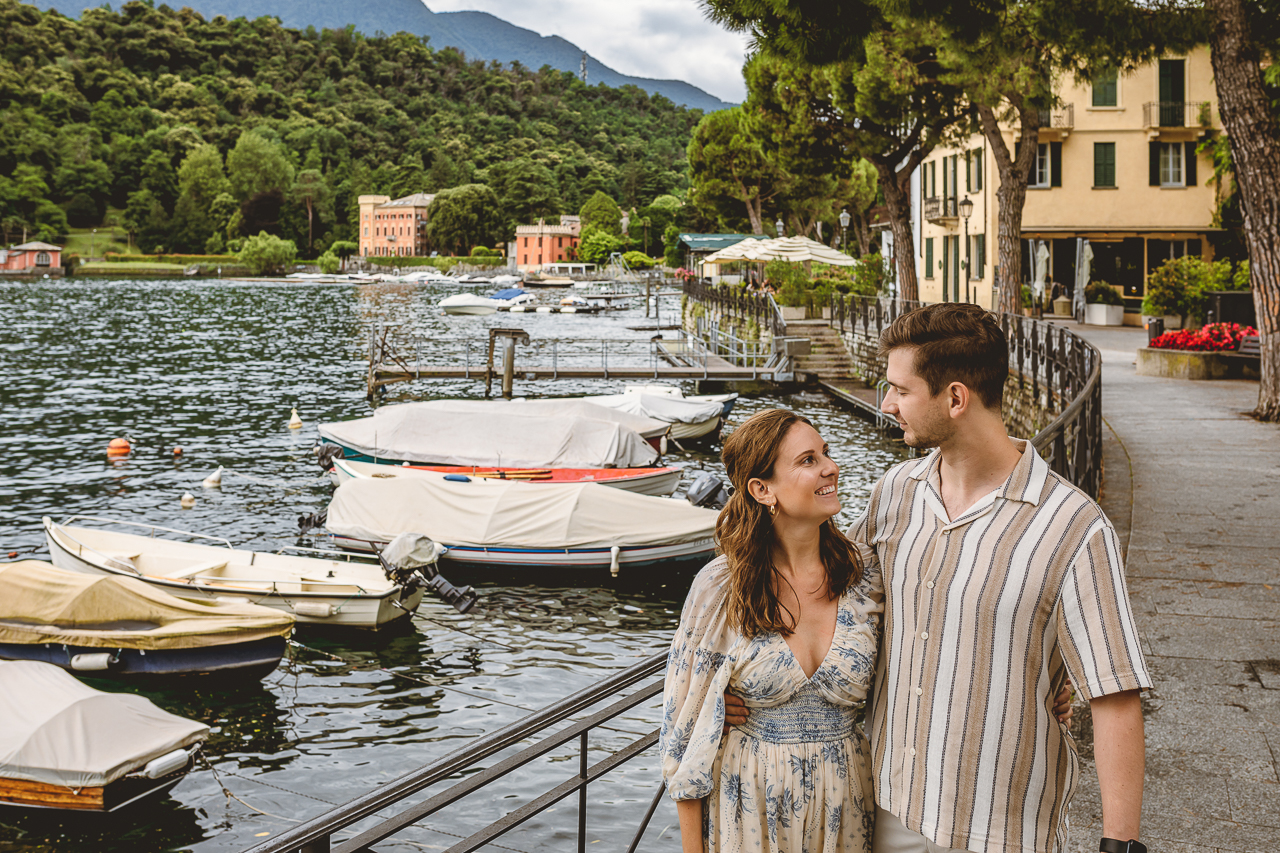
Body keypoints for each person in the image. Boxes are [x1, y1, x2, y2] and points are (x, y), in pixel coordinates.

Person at [726, 303, 1151, 853]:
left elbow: (1114, 692)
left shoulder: (1074, 526)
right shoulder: (894, 494)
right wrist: (736, 686)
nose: (886, 404)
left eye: (900, 390)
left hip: (1002, 829)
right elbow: (824, 591)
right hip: (885, 808)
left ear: (954, 398)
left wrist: (1121, 845)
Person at [660, 408, 881, 852]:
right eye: (807, 460)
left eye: (826, 454)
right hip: (749, 808)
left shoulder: (866, 573)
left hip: (850, 803)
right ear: (762, 490)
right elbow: (682, 739)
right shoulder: (721, 588)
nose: (830, 468)